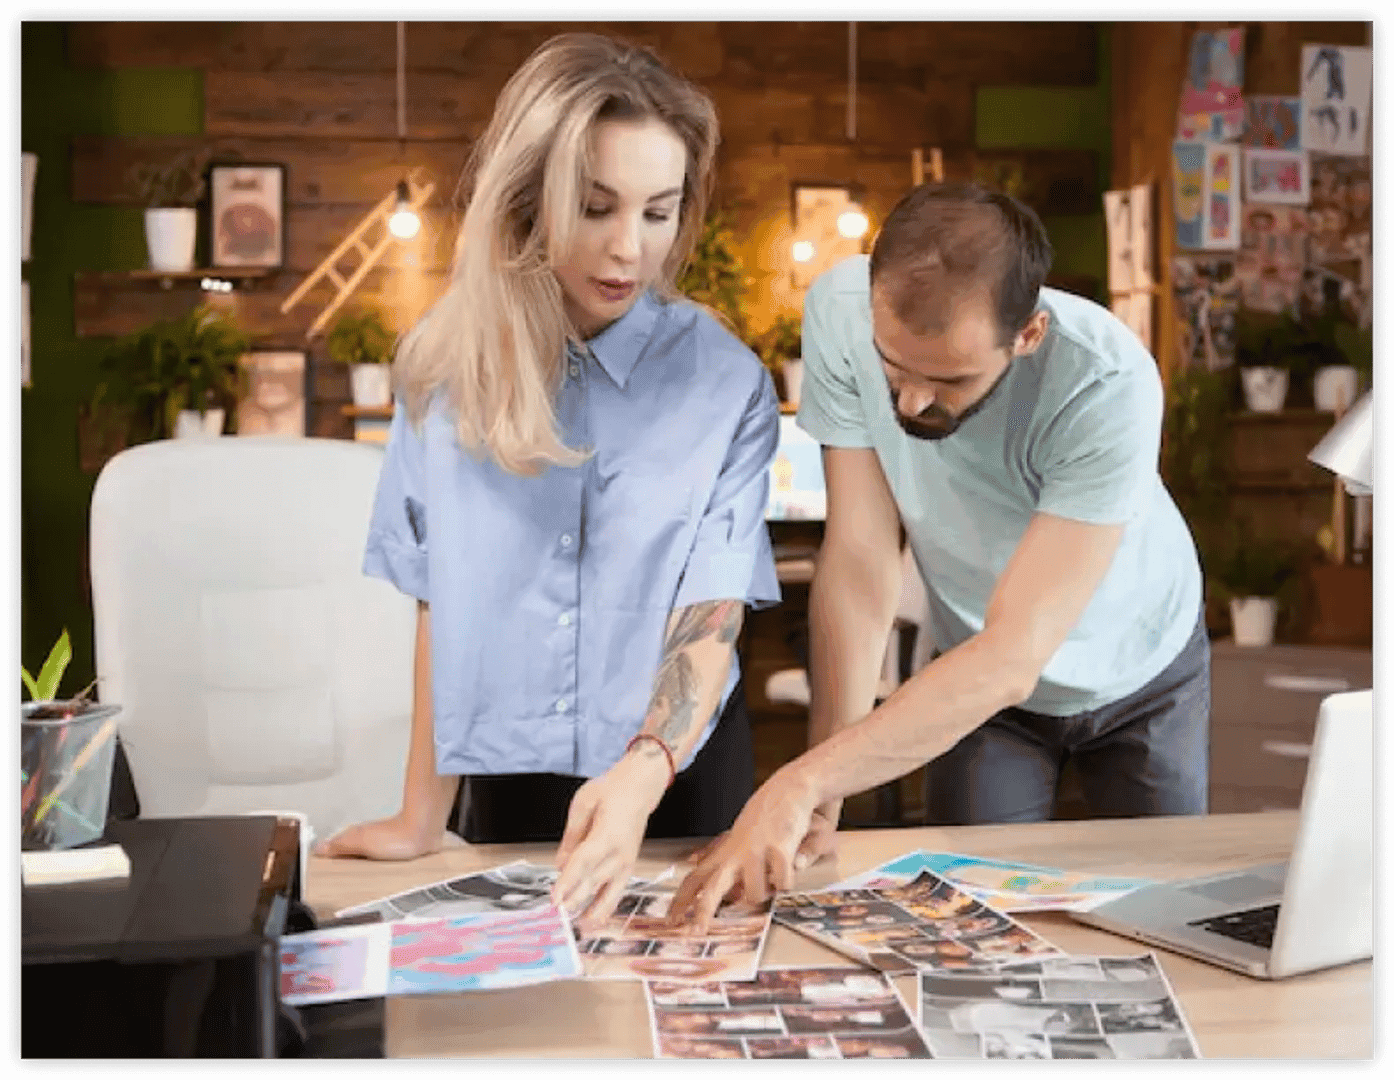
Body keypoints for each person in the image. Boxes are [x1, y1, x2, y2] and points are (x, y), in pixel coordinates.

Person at [314, 32, 780, 934]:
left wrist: (641, 776)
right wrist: (421, 814)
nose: (629, 250)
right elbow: (437, 603)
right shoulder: (444, 372)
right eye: (597, 207)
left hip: (676, 776)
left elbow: (711, 614)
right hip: (507, 776)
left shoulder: (726, 382)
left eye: (658, 212)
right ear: (530, 199)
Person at [671, 181, 1207, 928]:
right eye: (895, 367)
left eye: (949, 380)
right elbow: (860, 557)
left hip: (1142, 665)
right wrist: (827, 794)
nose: (913, 404)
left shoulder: (1106, 383)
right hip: (981, 682)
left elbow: (1015, 654)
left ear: (1028, 335)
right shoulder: (839, 311)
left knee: (1166, 918)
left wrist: (795, 783)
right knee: (963, 918)